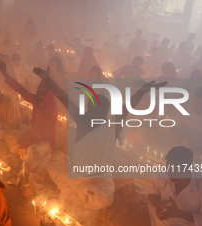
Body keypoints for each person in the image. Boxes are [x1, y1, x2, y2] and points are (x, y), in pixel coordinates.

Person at [33, 67, 166, 211]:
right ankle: (84, 192)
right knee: (104, 197)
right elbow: (126, 108)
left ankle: (79, 191)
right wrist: (141, 92)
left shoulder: (87, 119)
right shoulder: (107, 126)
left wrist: (47, 79)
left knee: (54, 168)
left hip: (87, 177)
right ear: (105, 112)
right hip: (85, 177)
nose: (94, 112)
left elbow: (63, 97)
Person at [0, 60, 58, 149]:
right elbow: (20, 89)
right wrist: (5, 73)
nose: (38, 88)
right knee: (9, 135)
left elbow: (49, 96)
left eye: (41, 87)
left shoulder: (52, 105)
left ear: (48, 91)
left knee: (35, 151)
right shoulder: (36, 100)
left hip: (46, 142)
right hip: (33, 138)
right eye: (39, 86)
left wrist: (46, 79)